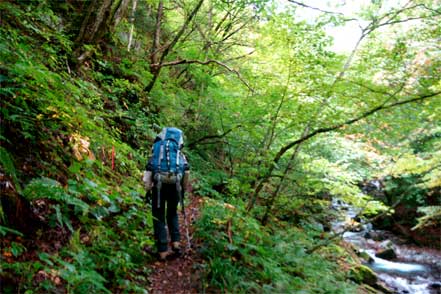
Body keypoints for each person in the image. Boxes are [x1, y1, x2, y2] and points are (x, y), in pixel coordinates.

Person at [143, 127, 190, 261]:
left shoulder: (157, 151)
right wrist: (183, 191)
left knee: (158, 215)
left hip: (159, 186)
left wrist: (147, 191)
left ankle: (162, 251)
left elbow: (148, 173)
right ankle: (176, 243)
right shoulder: (179, 155)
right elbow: (186, 172)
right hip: (175, 186)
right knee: (172, 213)